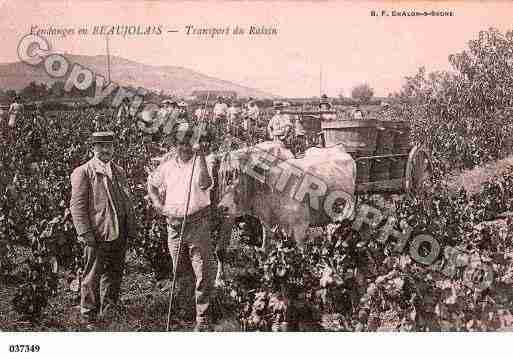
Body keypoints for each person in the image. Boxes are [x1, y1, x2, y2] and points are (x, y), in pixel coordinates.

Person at [147, 123, 215, 331]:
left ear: (194, 144)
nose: (185, 148)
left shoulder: (202, 162)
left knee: (202, 270)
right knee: (180, 269)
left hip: (197, 223)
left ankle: (203, 319)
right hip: (174, 226)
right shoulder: (167, 167)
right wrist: (158, 204)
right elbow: (152, 184)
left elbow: (205, 184)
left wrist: (201, 156)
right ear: (174, 145)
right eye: (180, 143)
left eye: (188, 143)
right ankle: (187, 311)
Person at [70, 131, 136, 330]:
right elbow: (77, 206)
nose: (105, 150)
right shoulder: (84, 172)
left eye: (109, 146)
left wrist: (130, 227)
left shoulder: (119, 171)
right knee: (92, 273)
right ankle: (88, 313)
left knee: (115, 272)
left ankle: (109, 308)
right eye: (101, 146)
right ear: (93, 148)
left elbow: (126, 201)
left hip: (119, 231)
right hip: (98, 232)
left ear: (114, 148)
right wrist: (85, 233)